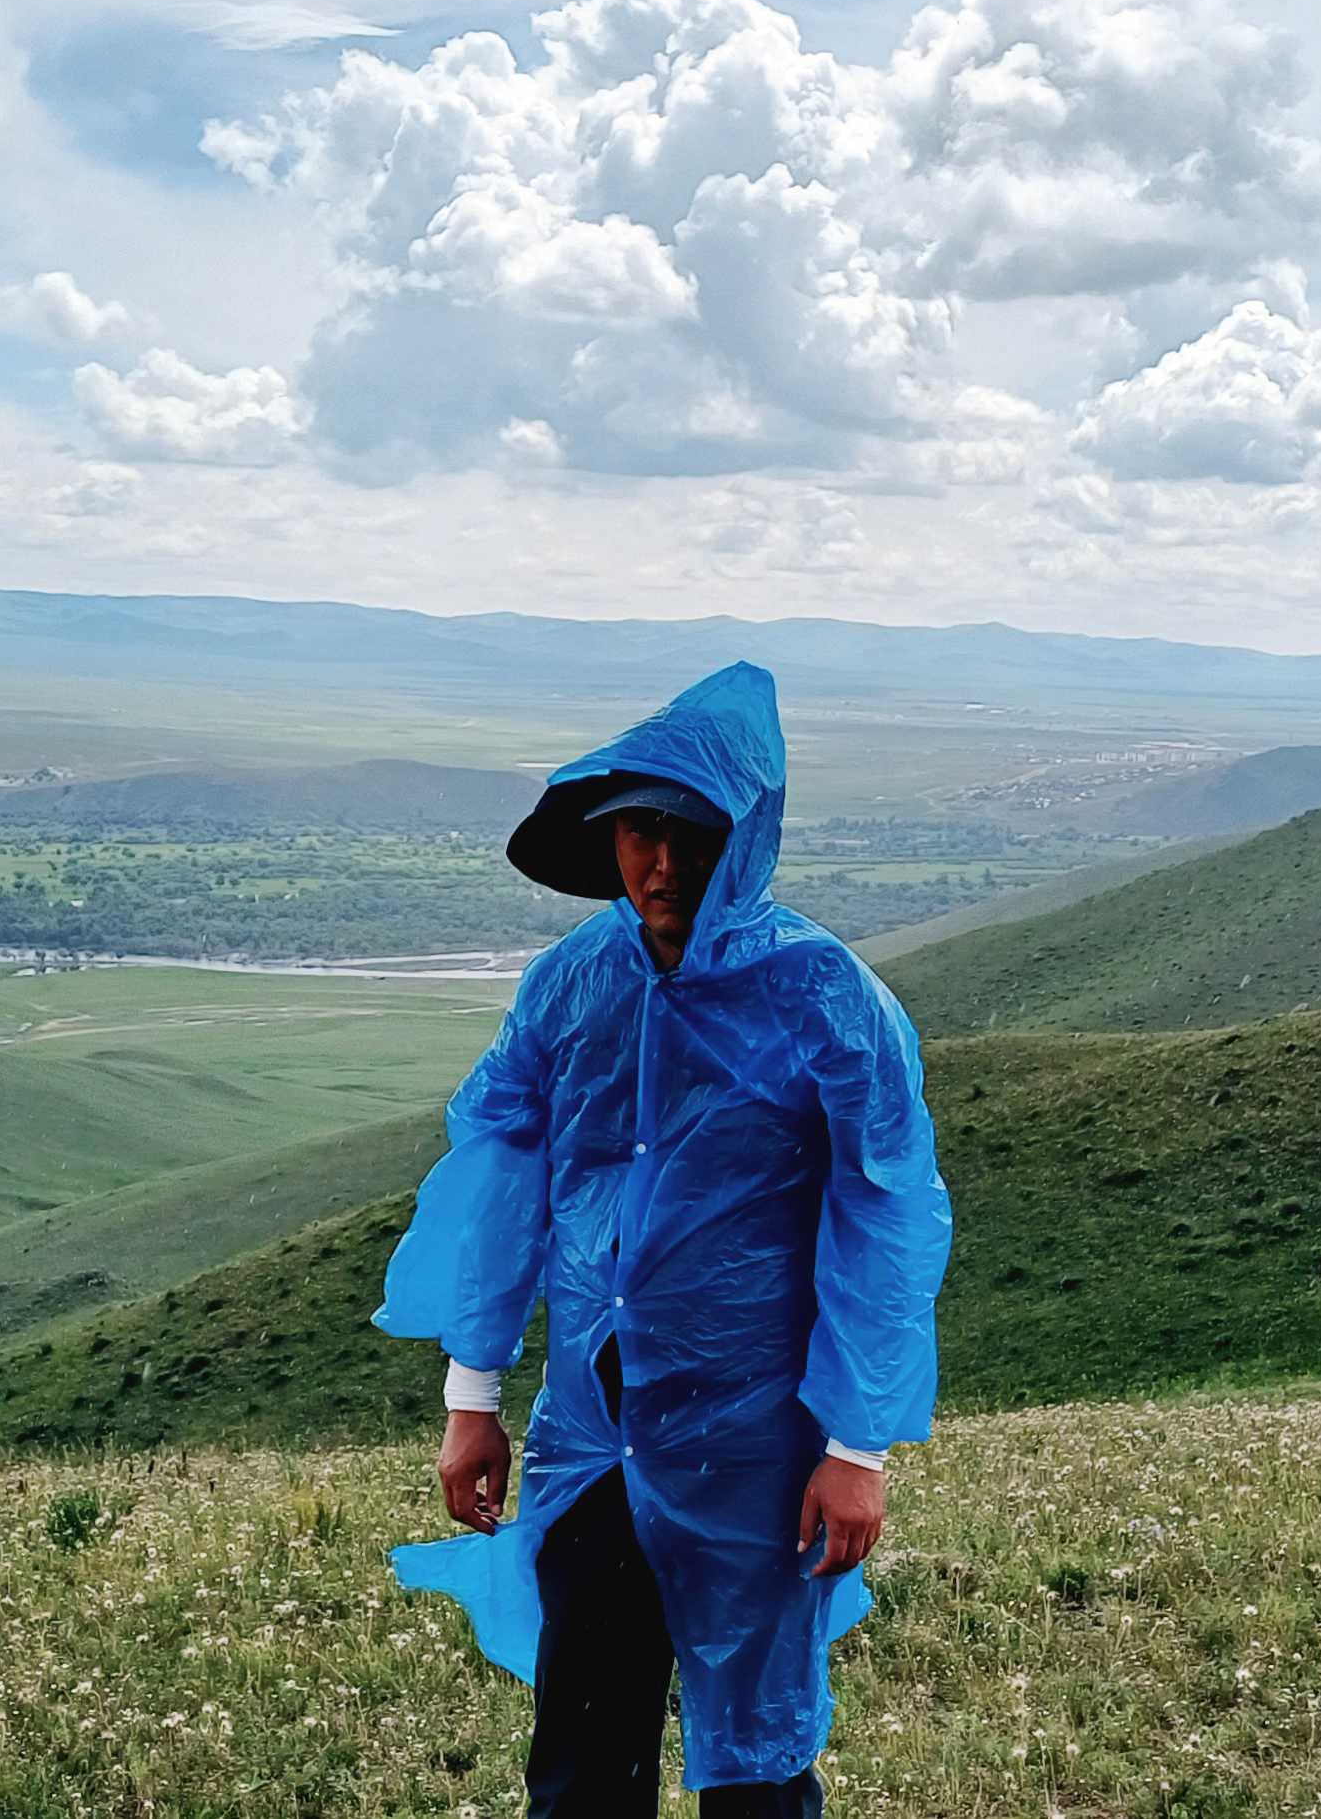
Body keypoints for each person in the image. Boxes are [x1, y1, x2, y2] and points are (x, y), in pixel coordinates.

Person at [373, 661, 952, 1819]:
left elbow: (883, 1217)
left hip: (756, 1447)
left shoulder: (827, 998)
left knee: (755, 1760)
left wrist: (858, 1448)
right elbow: (500, 1180)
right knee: (584, 1749)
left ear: (747, 835)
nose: (664, 862)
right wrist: (471, 1394)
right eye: (642, 830)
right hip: (592, 1433)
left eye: (693, 832)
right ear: (610, 836)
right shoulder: (571, 982)